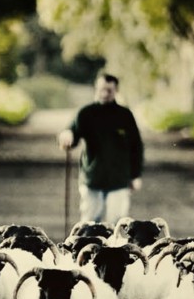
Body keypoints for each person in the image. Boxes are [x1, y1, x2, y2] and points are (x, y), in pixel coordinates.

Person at [57, 74, 144, 225]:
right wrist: (67, 135)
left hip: (119, 180)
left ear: (116, 91)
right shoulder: (86, 113)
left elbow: (136, 147)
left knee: (117, 224)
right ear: (96, 89)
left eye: (109, 90)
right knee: (89, 225)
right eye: (101, 89)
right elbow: (72, 132)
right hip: (92, 179)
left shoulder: (125, 115)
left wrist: (135, 175)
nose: (104, 94)